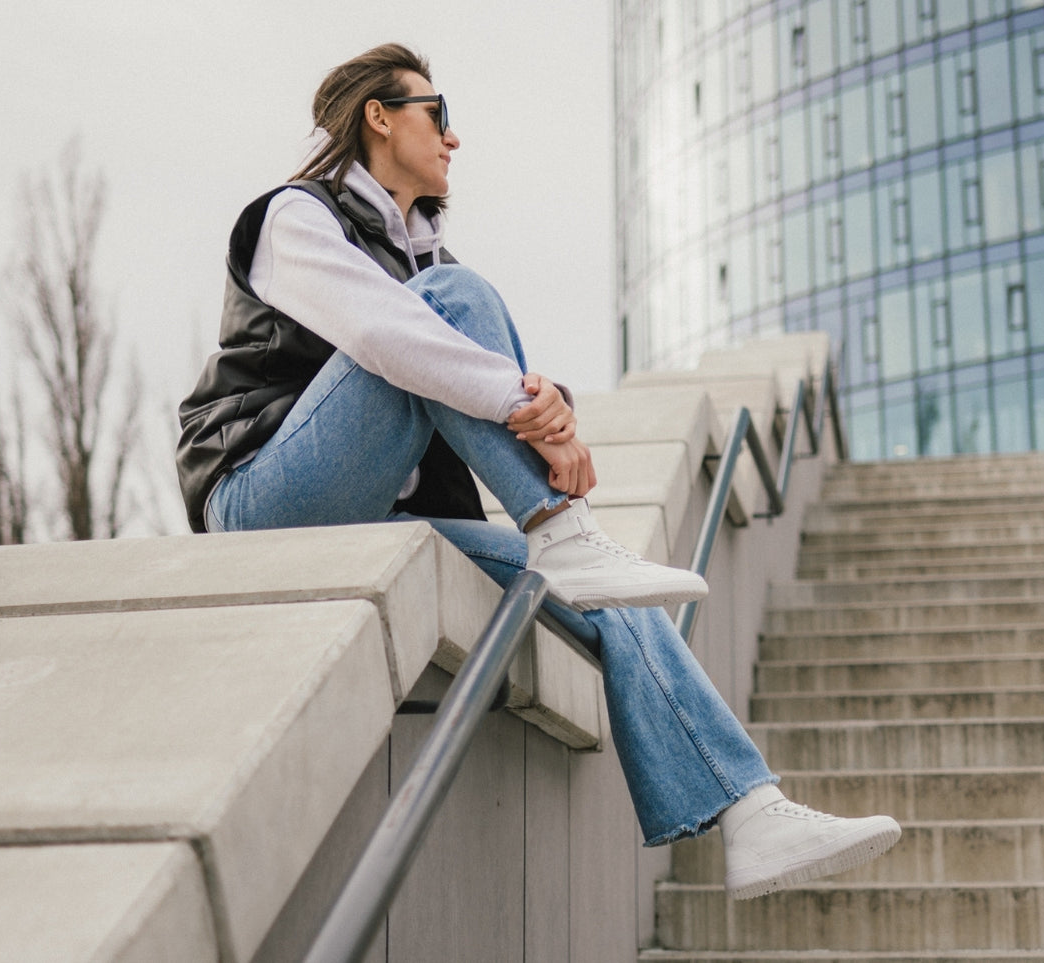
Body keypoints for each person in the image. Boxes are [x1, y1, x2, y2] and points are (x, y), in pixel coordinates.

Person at [176, 43, 899, 900]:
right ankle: (560, 528)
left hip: (382, 524)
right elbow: (384, 339)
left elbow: (439, 362)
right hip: (262, 501)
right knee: (456, 304)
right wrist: (532, 411)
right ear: (379, 115)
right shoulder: (295, 218)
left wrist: (543, 404)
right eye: (436, 114)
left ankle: (750, 812)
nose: (454, 140)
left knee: (602, 584)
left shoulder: (425, 265)